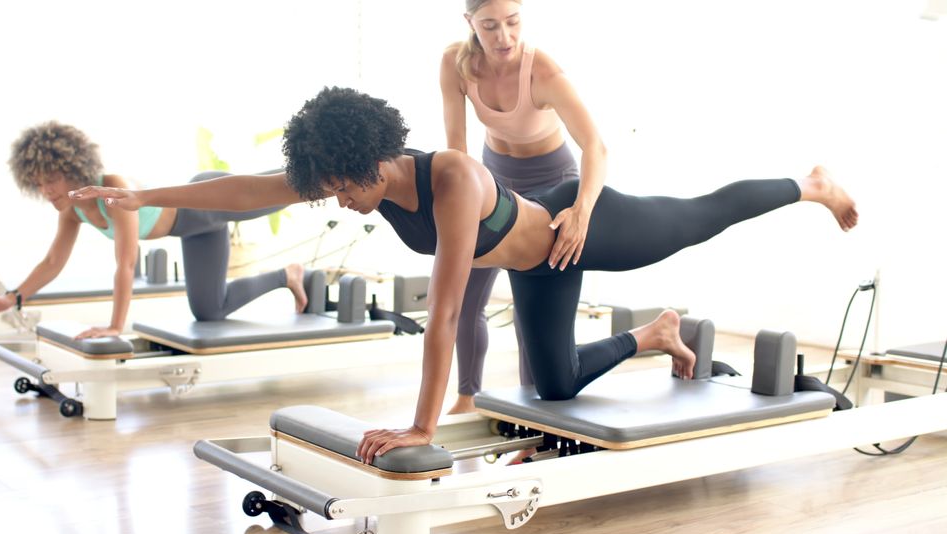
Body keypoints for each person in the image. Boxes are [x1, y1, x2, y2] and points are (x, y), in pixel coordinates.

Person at [70, 87, 858, 464]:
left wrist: (423, 425)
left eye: (346, 188)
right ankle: (655, 333)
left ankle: (810, 186)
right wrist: (145, 194)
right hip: (540, 270)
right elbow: (245, 190)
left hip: (582, 228)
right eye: (333, 189)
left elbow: (446, 316)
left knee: (697, 216)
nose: (340, 202)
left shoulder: (449, 182)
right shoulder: (350, 174)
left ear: (375, 160)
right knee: (554, 390)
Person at [0, 121, 308, 339]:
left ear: (73, 168)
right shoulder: (73, 212)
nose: (47, 191)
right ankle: (287, 276)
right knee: (210, 311)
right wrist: (13, 297)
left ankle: (323, 163)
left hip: (207, 202)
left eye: (52, 180)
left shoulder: (113, 187)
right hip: (195, 232)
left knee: (293, 186)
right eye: (39, 184)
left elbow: (126, 263)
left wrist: (116, 327)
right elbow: (53, 261)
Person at [441, 0, 607, 413]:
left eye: (513, 23)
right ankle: (467, 396)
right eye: (490, 26)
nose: (505, 37)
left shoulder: (543, 72)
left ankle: (533, 408)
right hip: (494, 182)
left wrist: (582, 209)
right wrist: (458, 209)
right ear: (470, 23)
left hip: (552, 187)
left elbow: (595, 146)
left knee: (530, 311)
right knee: (463, 290)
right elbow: (456, 151)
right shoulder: (455, 64)